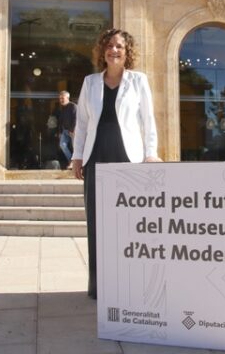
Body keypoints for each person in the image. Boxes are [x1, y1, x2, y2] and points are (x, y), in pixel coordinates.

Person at [72, 28, 162, 299]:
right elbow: (82, 123)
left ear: (127, 51)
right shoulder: (90, 82)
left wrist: (150, 153)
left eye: (119, 46)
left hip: (128, 158)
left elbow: (148, 120)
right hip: (96, 157)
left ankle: (130, 282)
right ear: (102, 51)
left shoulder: (138, 81)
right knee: (97, 224)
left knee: (130, 223)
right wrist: (77, 156)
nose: (114, 50)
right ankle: (99, 287)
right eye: (109, 45)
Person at [53, 90, 77, 169]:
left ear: (67, 98)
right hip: (64, 131)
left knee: (75, 148)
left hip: (73, 131)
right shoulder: (63, 108)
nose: (61, 100)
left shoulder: (73, 106)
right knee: (62, 145)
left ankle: (74, 163)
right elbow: (61, 121)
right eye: (60, 98)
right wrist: (60, 132)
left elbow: (76, 119)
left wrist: (72, 130)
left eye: (62, 98)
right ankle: (71, 161)